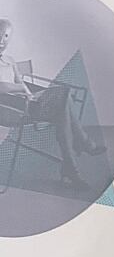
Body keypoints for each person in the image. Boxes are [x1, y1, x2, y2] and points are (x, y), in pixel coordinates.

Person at [0, 17, 106, 190]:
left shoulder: (10, 60)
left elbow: (21, 82)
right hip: (10, 109)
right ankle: (82, 144)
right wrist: (21, 89)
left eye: (5, 36)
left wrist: (30, 93)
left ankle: (71, 165)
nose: (1, 40)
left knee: (62, 107)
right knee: (64, 96)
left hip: (28, 103)